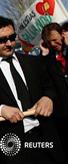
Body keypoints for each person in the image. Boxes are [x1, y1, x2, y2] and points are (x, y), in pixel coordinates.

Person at [0, 16, 65, 164]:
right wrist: (0, 109)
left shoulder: (33, 61)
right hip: (14, 147)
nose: (9, 43)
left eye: (12, 37)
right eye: (2, 40)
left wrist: (48, 98)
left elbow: (51, 88)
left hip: (46, 139)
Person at [40, 22, 68, 159]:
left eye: (55, 39)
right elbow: (47, 80)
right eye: (49, 42)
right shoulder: (49, 58)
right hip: (63, 115)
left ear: (62, 34)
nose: (53, 44)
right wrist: (44, 55)